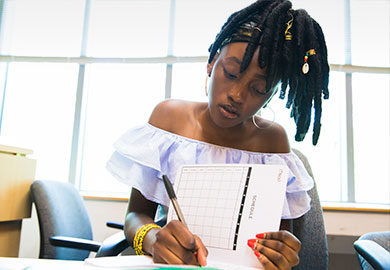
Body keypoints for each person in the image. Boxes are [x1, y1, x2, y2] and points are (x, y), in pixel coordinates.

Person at [106, 0, 329, 269]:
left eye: (258, 89)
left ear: (270, 95)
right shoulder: (168, 120)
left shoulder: (273, 143)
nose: (236, 95)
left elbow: (279, 239)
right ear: (212, 63)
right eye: (231, 72)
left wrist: (281, 252)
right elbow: (136, 215)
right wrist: (152, 238)